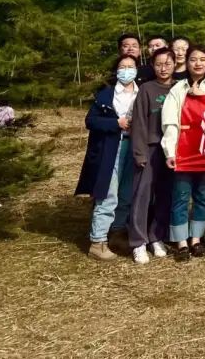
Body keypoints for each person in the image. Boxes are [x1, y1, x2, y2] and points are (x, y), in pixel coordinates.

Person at [161, 46, 205, 260]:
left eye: (202, 59)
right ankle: (181, 241)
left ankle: (196, 239)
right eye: (193, 59)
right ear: (186, 62)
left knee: (203, 195)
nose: (197, 63)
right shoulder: (177, 89)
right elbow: (170, 121)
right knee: (181, 195)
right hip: (183, 150)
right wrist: (170, 151)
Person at [76, 53, 140, 260]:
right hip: (112, 147)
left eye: (131, 66)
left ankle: (117, 232)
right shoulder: (106, 95)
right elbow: (90, 121)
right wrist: (115, 123)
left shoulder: (142, 92)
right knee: (108, 194)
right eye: (122, 67)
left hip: (135, 148)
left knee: (127, 192)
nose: (127, 70)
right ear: (116, 71)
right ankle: (98, 240)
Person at [128, 47, 175, 263]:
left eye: (167, 64)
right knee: (142, 195)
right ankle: (138, 241)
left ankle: (157, 236)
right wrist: (139, 153)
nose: (163, 68)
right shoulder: (146, 89)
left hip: (171, 150)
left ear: (174, 65)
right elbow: (138, 123)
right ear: (152, 66)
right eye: (158, 64)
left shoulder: (179, 87)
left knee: (165, 195)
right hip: (150, 148)